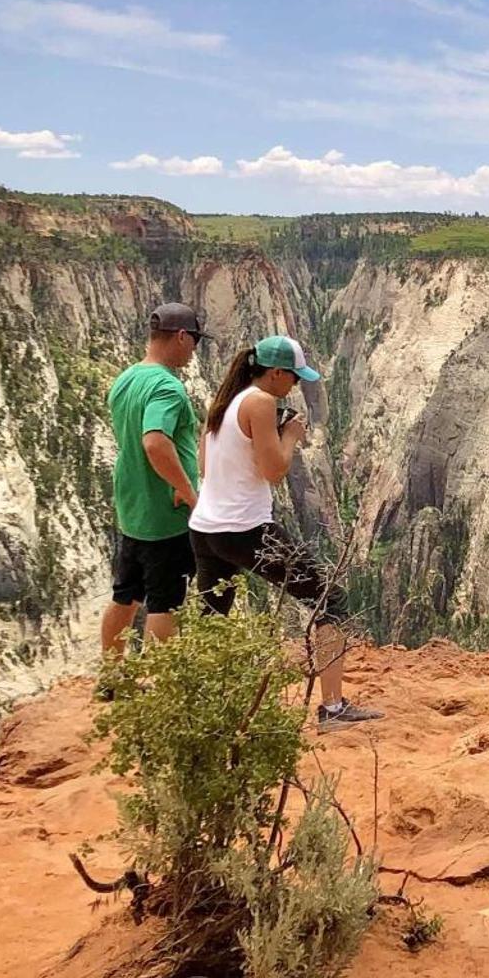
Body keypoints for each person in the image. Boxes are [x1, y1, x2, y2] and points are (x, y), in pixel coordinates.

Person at [190, 334, 381, 727]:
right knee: (331, 601)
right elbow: (274, 472)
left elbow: (205, 467)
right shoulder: (261, 401)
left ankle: (196, 708)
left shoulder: (225, 401)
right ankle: (332, 709)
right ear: (276, 373)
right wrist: (290, 436)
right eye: (293, 377)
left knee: (211, 615)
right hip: (246, 528)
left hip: (206, 528)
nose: (295, 385)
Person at [101, 302, 204, 667]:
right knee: (166, 601)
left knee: (125, 594)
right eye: (194, 341)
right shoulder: (167, 387)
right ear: (180, 336)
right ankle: (164, 689)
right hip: (165, 515)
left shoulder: (127, 378)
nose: (194, 350)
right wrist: (186, 490)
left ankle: (112, 677)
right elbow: (155, 440)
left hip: (133, 509)